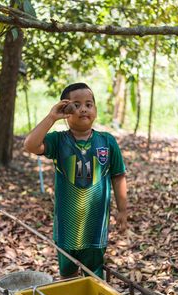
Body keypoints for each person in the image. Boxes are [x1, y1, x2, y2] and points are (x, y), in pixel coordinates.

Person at [24, 82, 127, 279]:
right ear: (66, 110)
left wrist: (123, 210)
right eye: (76, 105)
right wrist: (51, 117)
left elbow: (118, 176)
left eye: (89, 104)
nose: (83, 109)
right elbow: (30, 145)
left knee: (94, 273)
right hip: (66, 227)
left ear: (95, 109)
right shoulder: (58, 140)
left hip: (96, 226)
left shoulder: (107, 141)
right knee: (68, 274)